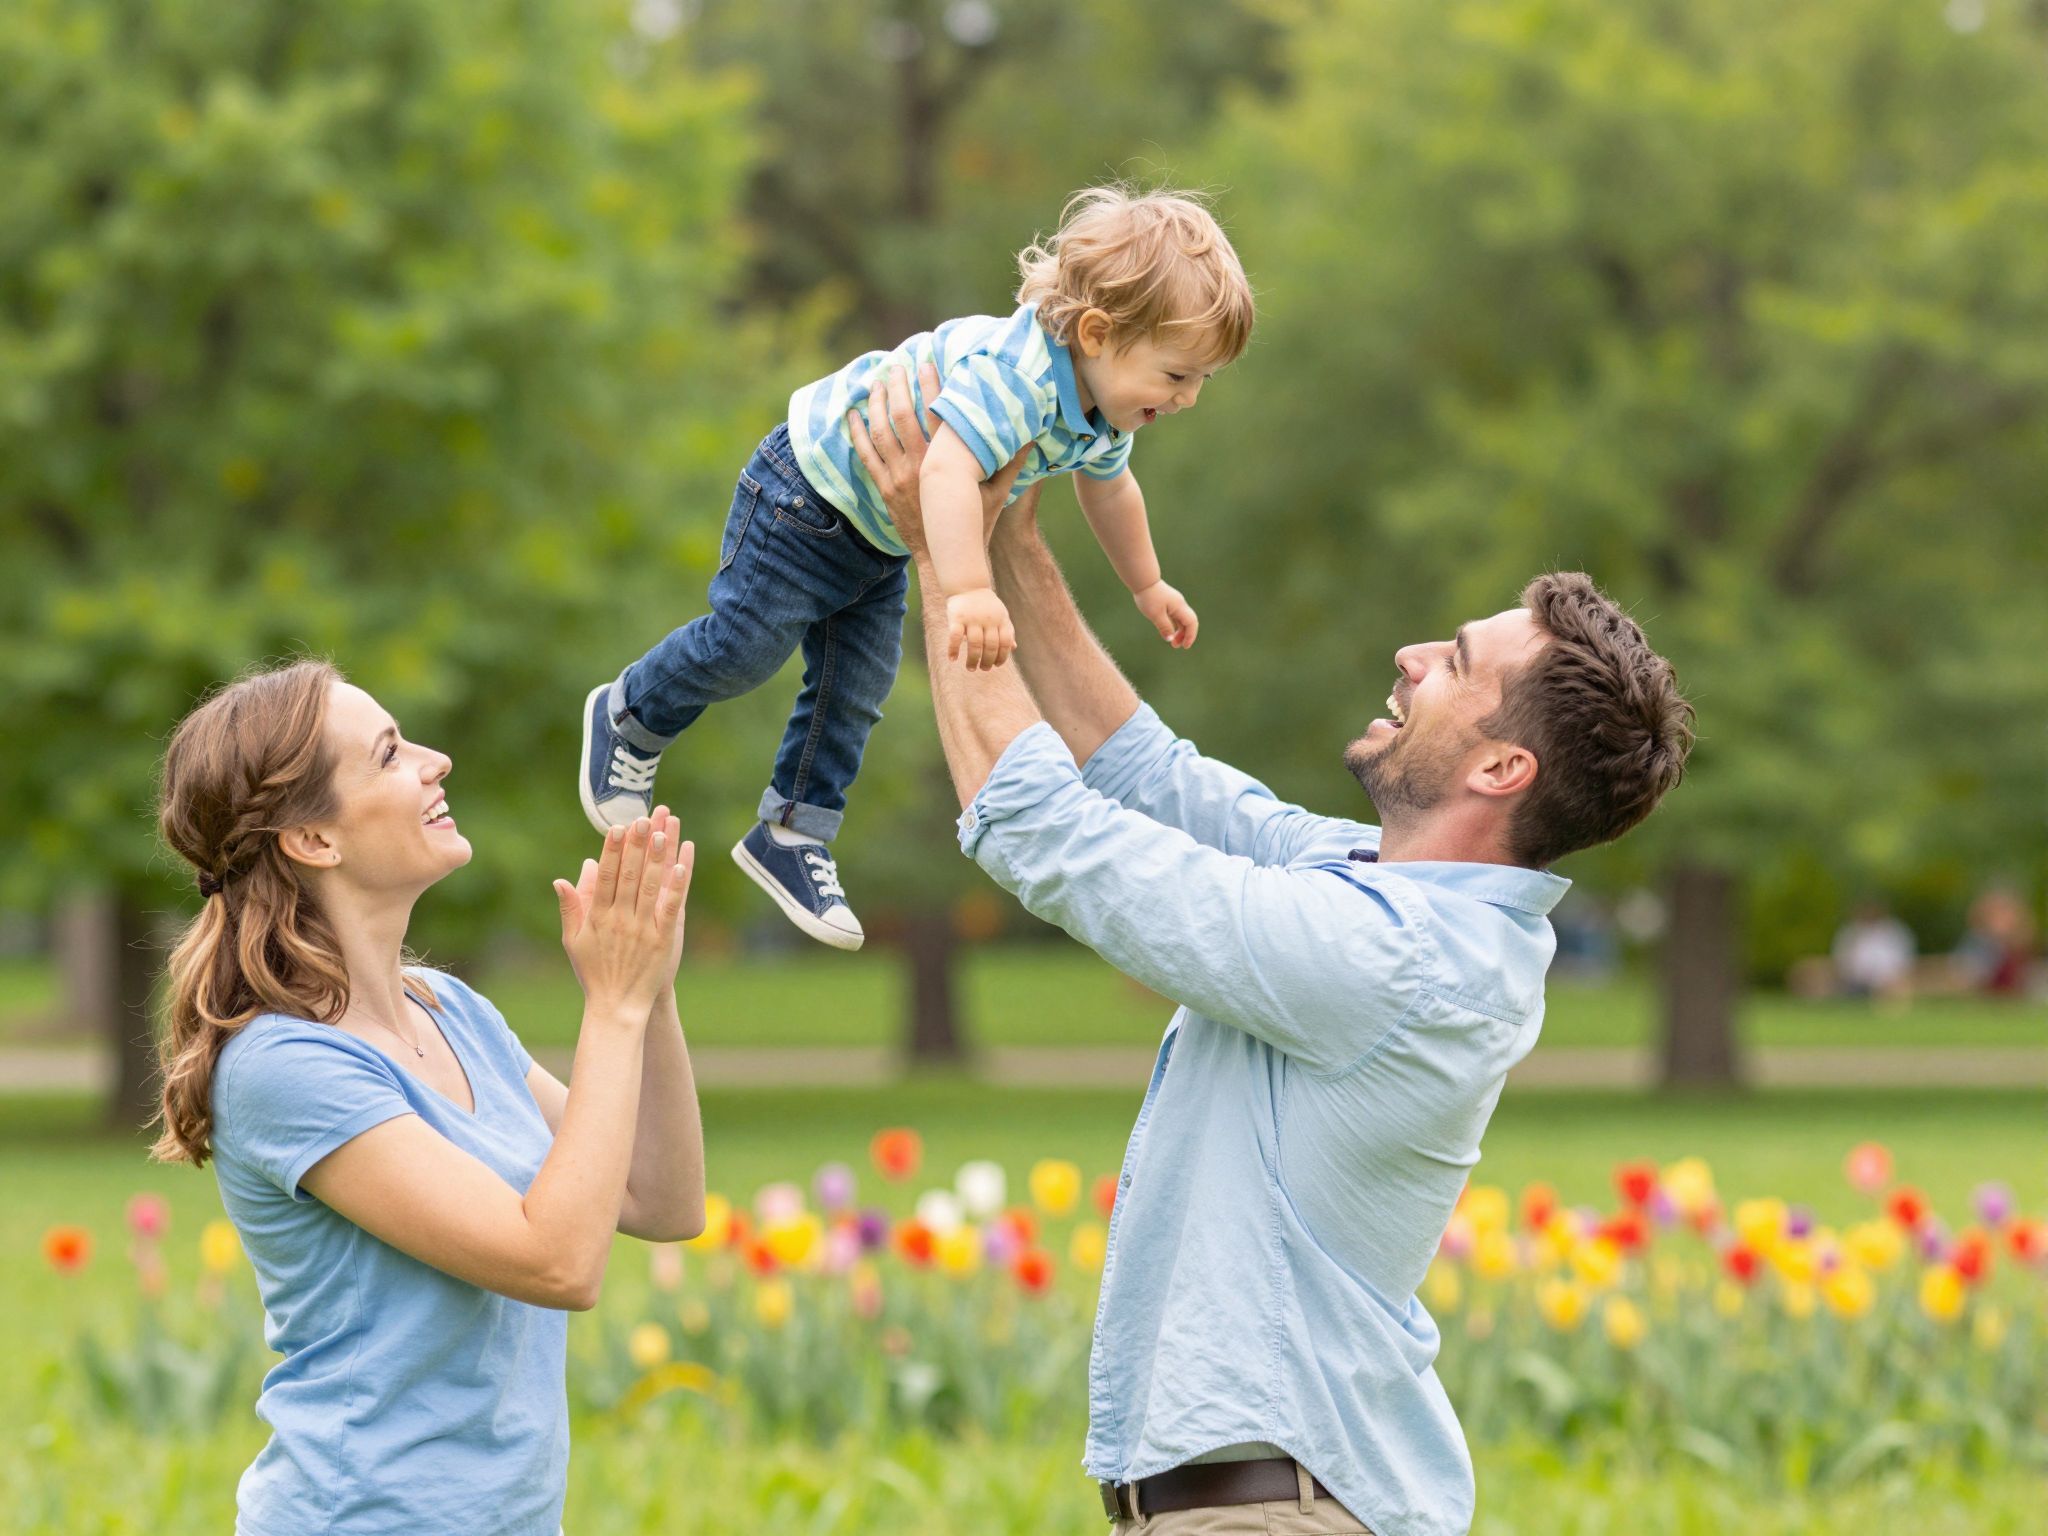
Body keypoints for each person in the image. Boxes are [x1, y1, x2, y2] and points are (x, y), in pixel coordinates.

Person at [847, 368, 1694, 1536]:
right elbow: (1145, 775)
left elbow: (1042, 828)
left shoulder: (1394, 959)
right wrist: (1010, 525)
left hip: (1271, 1514)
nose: (1408, 655)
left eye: (1451, 660)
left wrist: (948, 577)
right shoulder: (1380, 891)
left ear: (1501, 770)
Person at [578, 185, 1254, 951]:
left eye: (1203, 380)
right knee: (748, 645)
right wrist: (968, 589)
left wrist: (1147, 583)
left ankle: (792, 834)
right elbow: (941, 473)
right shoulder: (1019, 378)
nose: (1190, 398)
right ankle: (632, 712)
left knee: (856, 693)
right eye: (1177, 376)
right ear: (1097, 333)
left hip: (876, 538)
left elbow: (1113, 490)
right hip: (806, 493)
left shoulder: (1106, 412)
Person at [151, 659, 705, 1536]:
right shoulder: (283, 1065)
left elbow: (663, 1199)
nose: (435, 759)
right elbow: (559, 1262)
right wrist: (612, 1003)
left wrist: (652, 991)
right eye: (388, 755)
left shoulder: (453, 1013)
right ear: (314, 841)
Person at [1829, 900, 1916, 1000]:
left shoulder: (1894, 931)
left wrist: (1887, 978)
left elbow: (1903, 959)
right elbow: (1842, 960)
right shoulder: (1850, 933)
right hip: (1856, 983)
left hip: (1889, 982)